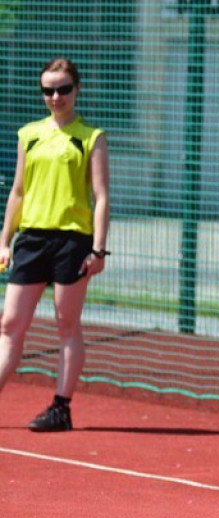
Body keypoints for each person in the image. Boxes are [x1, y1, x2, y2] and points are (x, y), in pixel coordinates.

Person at [0, 58, 110, 432]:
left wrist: (98, 250)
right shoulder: (28, 134)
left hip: (72, 241)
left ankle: (61, 408)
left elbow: (102, 197)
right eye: (48, 90)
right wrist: (5, 240)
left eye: (63, 88)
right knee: (10, 323)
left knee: (67, 324)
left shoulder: (91, 136)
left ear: (77, 89)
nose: (56, 96)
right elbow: (17, 192)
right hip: (31, 238)